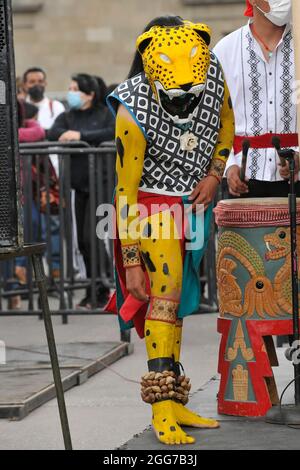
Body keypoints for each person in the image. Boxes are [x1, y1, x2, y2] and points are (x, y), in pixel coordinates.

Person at [104, 15, 235, 445]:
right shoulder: (131, 110)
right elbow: (124, 191)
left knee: (176, 302)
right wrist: (131, 260)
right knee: (164, 296)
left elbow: (226, 128)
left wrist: (215, 174)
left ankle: (175, 399)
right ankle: (161, 406)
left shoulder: (212, 76)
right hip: (149, 208)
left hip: (190, 206)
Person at [213, 0, 299, 198]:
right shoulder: (225, 50)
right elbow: (214, 118)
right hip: (243, 178)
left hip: (296, 180)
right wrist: (229, 166)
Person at [48, 73, 115, 308]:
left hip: (102, 183)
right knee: (83, 242)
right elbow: (52, 132)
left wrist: (81, 137)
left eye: (74, 88)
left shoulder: (105, 114)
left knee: (93, 236)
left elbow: (112, 132)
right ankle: (94, 287)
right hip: (79, 186)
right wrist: (67, 134)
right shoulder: (68, 116)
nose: (70, 92)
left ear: (89, 94)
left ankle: (104, 285)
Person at [22, 67, 65, 279]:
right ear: (25, 85)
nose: (36, 85)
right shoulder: (21, 106)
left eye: (40, 80)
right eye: (32, 81)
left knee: (53, 222)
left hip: (51, 174)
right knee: (30, 224)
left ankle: (56, 269)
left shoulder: (54, 106)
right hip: (27, 177)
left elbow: (56, 133)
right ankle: (30, 273)